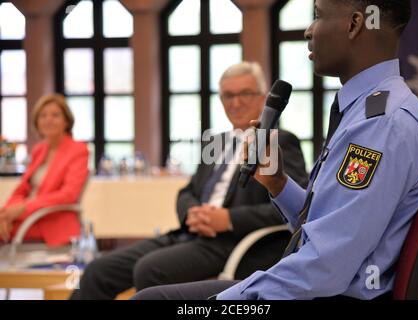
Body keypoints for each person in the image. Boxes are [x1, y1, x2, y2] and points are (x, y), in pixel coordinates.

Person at [132, 0, 418, 300]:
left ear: (354, 24)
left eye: (319, 15)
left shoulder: (382, 124)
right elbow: (327, 229)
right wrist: (279, 185)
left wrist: (228, 299)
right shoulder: (365, 111)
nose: (309, 30)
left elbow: (326, 266)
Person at [69, 62, 309, 300]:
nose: (236, 102)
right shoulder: (216, 142)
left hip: (233, 241)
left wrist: (228, 220)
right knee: (97, 270)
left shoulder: (279, 141)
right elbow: (187, 191)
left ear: (262, 97)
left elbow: (295, 206)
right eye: (228, 95)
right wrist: (192, 212)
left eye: (245, 93)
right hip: (189, 234)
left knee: (150, 269)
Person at [0, 93, 89, 247]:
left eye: (55, 115)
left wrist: (24, 208)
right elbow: (22, 189)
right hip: (29, 217)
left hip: (52, 219)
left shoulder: (78, 150)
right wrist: (6, 213)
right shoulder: (39, 150)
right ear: (37, 122)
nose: (48, 120)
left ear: (66, 121)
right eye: (43, 116)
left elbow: (68, 194)